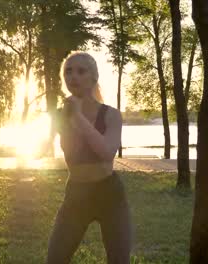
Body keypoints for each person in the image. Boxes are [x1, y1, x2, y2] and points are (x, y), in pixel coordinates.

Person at [46, 51, 132, 264]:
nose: (73, 76)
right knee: (55, 260)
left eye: (81, 71)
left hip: (109, 194)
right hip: (76, 193)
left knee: (119, 260)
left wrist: (77, 116)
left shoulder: (111, 115)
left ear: (94, 77)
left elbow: (106, 152)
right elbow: (58, 150)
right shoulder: (59, 115)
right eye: (68, 71)